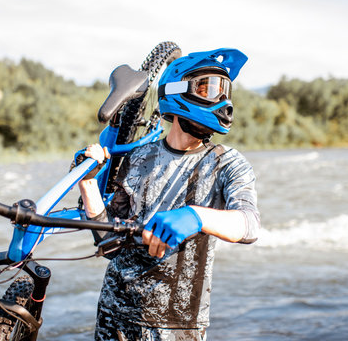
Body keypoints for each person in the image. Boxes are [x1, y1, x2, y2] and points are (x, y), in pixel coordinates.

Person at [78, 48, 260, 341]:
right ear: (177, 91)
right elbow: (108, 244)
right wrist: (88, 184)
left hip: (178, 327)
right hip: (114, 318)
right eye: (210, 88)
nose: (223, 100)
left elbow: (249, 225)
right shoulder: (137, 157)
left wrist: (196, 216)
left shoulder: (228, 163)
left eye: (225, 91)